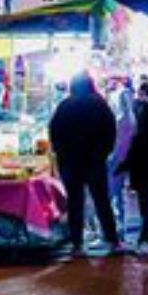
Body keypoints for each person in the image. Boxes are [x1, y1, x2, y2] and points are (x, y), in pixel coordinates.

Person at [50, 73, 122, 256]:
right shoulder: (99, 104)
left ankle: (77, 244)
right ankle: (112, 240)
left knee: (75, 202)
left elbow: (54, 132)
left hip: (70, 161)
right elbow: (110, 131)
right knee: (101, 200)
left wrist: (62, 153)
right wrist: (103, 153)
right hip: (94, 160)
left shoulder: (65, 106)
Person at [117, 82, 148, 249]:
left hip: (143, 174)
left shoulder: (140, 137)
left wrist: (121, 167)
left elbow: (132, 156)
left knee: (145, 205)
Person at [107, 79, 137, 242]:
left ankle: (117, 226)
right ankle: (119, 225)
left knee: (114, 193)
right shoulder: (131, 119)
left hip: (118, 160)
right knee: (118, 195)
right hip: (123, 160)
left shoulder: (123, 121)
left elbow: (120, 144)